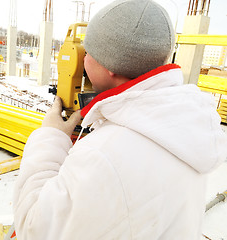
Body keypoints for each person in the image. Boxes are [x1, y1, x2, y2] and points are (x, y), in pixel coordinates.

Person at [13, 0, 227, 239]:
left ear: (110, 66)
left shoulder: (103, 154)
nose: (83, 59)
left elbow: (35, 228)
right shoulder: (187, 126)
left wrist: (50, 137)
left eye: (89, 52)